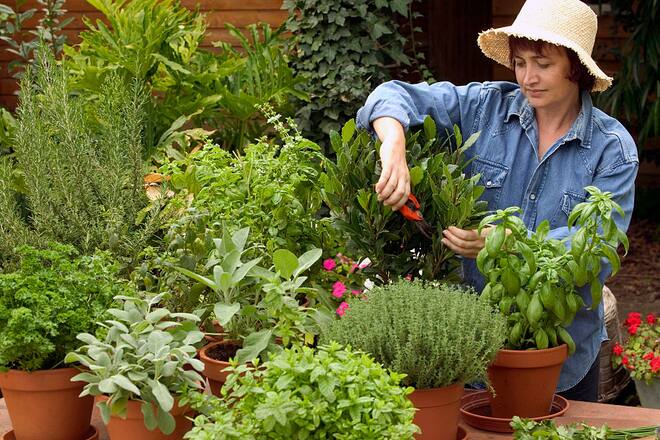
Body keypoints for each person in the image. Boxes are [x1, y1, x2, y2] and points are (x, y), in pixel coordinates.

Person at [356, 0, 638, 402]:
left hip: (561, 354)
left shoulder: (612, 150)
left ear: (575, 67)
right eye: (520, 62)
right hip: (472, 348)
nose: (527, 77)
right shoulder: (485, 108)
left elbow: (599, 252)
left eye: (542, 63)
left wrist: (506, 243)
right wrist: (394, 144)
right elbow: (392, 95)